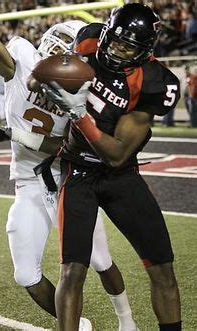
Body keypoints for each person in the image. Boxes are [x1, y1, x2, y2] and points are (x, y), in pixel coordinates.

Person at [0, 2, 139, 330]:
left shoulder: (83, 92)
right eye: (52, 47)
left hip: (70, 181)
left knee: (100, 260)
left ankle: (126, 320)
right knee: (25, 274)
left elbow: (67, 148)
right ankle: (77, 324)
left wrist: (15, 134)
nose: (54, 55)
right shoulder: (21, 63)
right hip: (28, 183)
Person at [42, 3, 182, 331]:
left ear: (144, 51)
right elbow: (44, 81)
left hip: (120, 174)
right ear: (105, 32)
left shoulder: (153, 80)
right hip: (77, 172)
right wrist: (49, 78)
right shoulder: (88, 40)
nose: (116, 50)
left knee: (162, 269)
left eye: (127, 46)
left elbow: (117, 155)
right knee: (72, 272)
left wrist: (81, 115)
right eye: (114, 40)